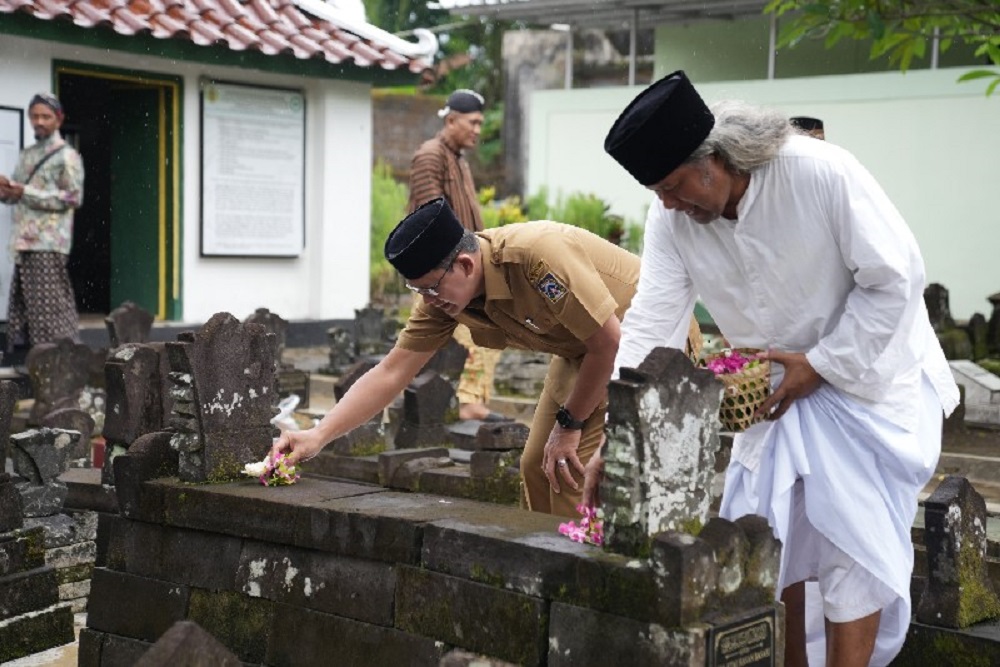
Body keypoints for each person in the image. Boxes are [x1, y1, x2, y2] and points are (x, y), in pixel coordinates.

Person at [602, 71, 957, 667]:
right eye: (655, 191)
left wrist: (821, 363)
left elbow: (896, 281)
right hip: (770, 399)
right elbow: (651, 324)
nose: (666, 203)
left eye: (672, 185)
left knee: (854, 549)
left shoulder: (820, 172)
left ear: (713, 158)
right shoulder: (670, 220)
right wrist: (613, 439)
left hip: (866, 385)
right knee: (766, 540)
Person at [272, 197, 700, 517]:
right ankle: (545, 567)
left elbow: (608, 342)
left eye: (432, 288)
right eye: (417, 290)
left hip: (648, 346)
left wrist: (569, 426)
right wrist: (317, 436)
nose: (427, 300)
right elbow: (391, 372)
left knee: (569, 469)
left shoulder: (535, 259)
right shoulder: (443, 295)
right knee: (536, 465)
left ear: (464, 264)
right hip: (580, 353)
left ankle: (587, 583)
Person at [408, 89, 503, 422]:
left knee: (464, 337)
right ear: (451, 120)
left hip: (463, 268)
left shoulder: (459, 159)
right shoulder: (430, 155)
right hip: (442, 273)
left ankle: (458, 404)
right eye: (472, 122)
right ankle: (466, 404)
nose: (478, 130)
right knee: (477, 333)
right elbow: (429, 220)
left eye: (481, 123)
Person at [0, 92, 84, 355]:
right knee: (25, 306)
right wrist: (7, 191)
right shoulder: (27, 155)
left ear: (59, 119)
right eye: (35, 116)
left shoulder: (67, 156)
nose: (39, 121)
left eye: (46, 116)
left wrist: (26, 192)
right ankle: (32, 360)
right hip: (24, 241)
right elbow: (18, 195)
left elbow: (73, 197)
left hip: (48, 242)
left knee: (51, 307)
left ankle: (63, 358)